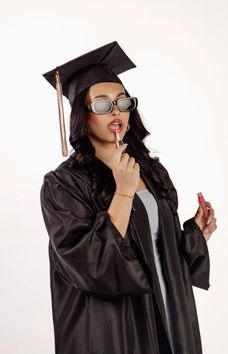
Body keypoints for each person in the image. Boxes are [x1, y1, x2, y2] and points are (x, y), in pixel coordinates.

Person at [40, 41, 217, 354]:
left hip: (168, 314)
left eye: (123, 102)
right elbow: (89, 264)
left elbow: (161, 256)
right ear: (82, 114)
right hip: (113, 328)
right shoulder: (64, 185)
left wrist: (195, 235)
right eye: (102, 104)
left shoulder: (150, 171)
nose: (116, 111)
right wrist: (122, 190)